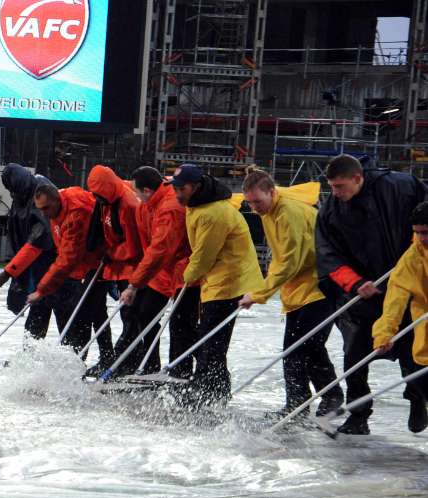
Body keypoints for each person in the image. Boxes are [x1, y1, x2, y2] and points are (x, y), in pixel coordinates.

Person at [318, 154, 428, 434]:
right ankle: (358, 415)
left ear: (357, 178)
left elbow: (424, 215)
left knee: (413, 353)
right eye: (332, 186)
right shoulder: (332, 209)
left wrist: (417, 250)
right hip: (365, 292)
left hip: (407, 280)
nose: (336, 193)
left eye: (340, 186)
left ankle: (417, 400)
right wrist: (354, 283)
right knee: (355, 354)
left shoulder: (399, 186)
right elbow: (327, 251)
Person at [237, 168, 344, 417]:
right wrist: (267, 289)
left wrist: (260, 293)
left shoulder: (288, 213)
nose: (254, 208)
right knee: (295, 348)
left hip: (321, 285)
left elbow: (290, 261)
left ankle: (331, 396)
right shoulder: (269, 212)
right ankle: (298, 403)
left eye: (258, 202)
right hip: (298, 290)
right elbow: (280, 258)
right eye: (250, 203)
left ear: (272, 192)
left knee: (306, 345)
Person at [171, 164, 264, 406]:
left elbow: (204, 255)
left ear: (196, 186)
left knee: (211, 338)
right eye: (175, 188)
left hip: (229, 281)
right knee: (210, 337)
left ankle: (208, 389)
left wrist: (186, 276)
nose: (178, 193)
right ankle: (214, 389)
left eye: (182, 188)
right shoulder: (199, 205)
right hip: (216, 279)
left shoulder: (213, 213)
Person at [119, 166, 198, 379]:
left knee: (181, 323)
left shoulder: (169, 207)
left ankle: (182, 371)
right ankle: (152, 365)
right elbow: (150, 247)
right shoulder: (147, 206)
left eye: (137, 191)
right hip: (161, 270)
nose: (134, 195)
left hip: (181, 271)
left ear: (146, 190)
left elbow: (161, 248)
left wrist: (135, 283)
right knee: (143, 311)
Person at [373, 201, 428, 433]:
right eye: (417, 232)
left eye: (425, 233)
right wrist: (384, 333)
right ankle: (419, 403)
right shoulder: (413, 256)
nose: (421, 238)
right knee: (420, 376)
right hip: (424, 330)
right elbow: (395, 298)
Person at [26, 183, 100, 355]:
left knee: (86, 316)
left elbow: (69, 256)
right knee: (89, 314)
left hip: (92, 265)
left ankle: (78, 364)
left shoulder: (76, 213)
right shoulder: (59, 205)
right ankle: (78, 360)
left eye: (46, 208)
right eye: (40, 209)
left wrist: (42, 289)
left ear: (56, 200)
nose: (43, 213)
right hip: (76, 268)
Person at [85, 165, 144, 376]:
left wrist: (113, 254)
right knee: (127, 315)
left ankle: (128, 363)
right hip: (118, 267)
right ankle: (121, 361)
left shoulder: (127, 204)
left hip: (131, 269)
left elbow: (135, 245)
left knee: (132, 316)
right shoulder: (106, 201)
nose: (96, 198)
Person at [0, 164, 58, 339]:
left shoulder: (40, 193)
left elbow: (40, 238)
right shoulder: (20, 195)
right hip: (31, 259)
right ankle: (31, 351)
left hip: (53, 261)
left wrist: (10, 271)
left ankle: (72, 355)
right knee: (38, 307)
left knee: (55, 307)